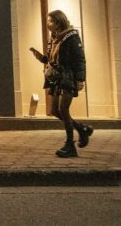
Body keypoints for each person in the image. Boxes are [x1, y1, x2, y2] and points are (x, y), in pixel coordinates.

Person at [30, 9, 91, 158]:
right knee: (55, 111)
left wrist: (80, 80)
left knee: (63, 109)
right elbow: (51, 59)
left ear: (58, 22)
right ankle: (81, 129)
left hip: (68, 77)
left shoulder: (71, 37)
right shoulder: (53, 37)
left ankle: (70, 145)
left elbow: (80, 59)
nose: (48, 24)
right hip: (56, 78)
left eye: (50, 21)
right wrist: (40, 57)